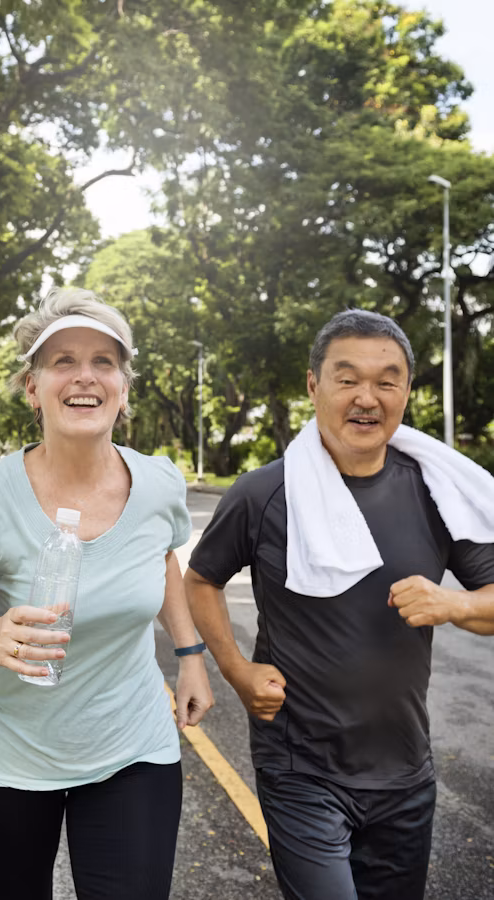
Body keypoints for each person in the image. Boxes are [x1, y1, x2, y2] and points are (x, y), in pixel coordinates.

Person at [0, 287, 214, 900]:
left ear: (124, 388)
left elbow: (160, 560)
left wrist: (190, 657)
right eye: (63, 361)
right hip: (9, 759)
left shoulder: (157, 482)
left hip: (133, 747)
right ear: (33, 387)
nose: (85, 377)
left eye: (104, 361)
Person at [184, 308, 494, 900]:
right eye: (347, 378)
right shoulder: (264, 494)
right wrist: (235, 669)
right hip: (302, 768)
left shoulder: (436, 492)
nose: (367, 397)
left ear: (407, 391)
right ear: (313, 385)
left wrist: (452, 605)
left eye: (387, 380)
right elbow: (200, 580)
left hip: (406, 770)